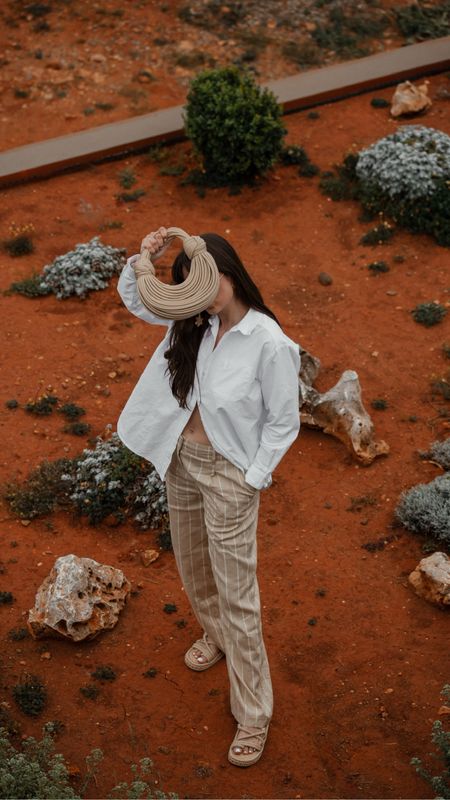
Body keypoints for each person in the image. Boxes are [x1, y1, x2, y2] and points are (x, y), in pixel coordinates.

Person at [116, 226, 301, 767]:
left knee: (238, 595)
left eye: (210, 280)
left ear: (229, 270)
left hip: (230, 475)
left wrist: (253, 478)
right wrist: (145, 259)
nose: (204, 292)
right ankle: (214, 635)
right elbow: (138, 301)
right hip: (181, 461)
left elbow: (283, 422)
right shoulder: (194, 320)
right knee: (195, 569)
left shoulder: (269, 343)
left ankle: (253, 713)